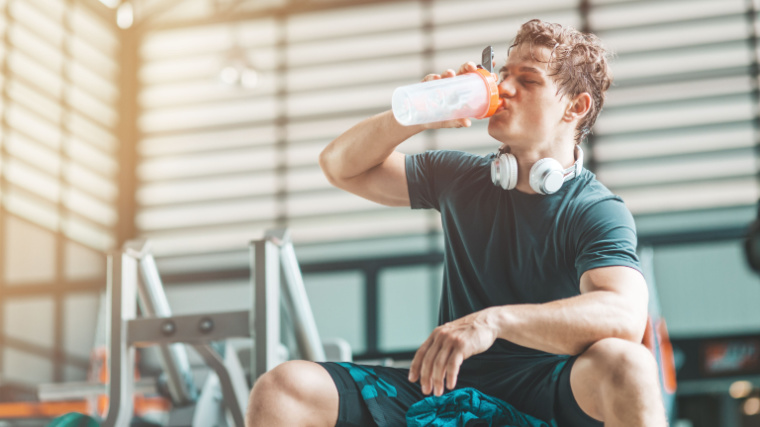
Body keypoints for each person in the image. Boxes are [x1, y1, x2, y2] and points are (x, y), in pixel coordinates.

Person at [247, 19, 668, 427]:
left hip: (550, 395)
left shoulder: (595, 209)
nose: (504, 88)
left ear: (575, 107)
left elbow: (624, 314)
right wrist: (414, 116)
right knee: (284, 388)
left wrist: (493, 321)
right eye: (504, 74)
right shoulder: (458, 177)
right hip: (445, 391)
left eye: (529, 79)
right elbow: (340, 167)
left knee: (629, 364)